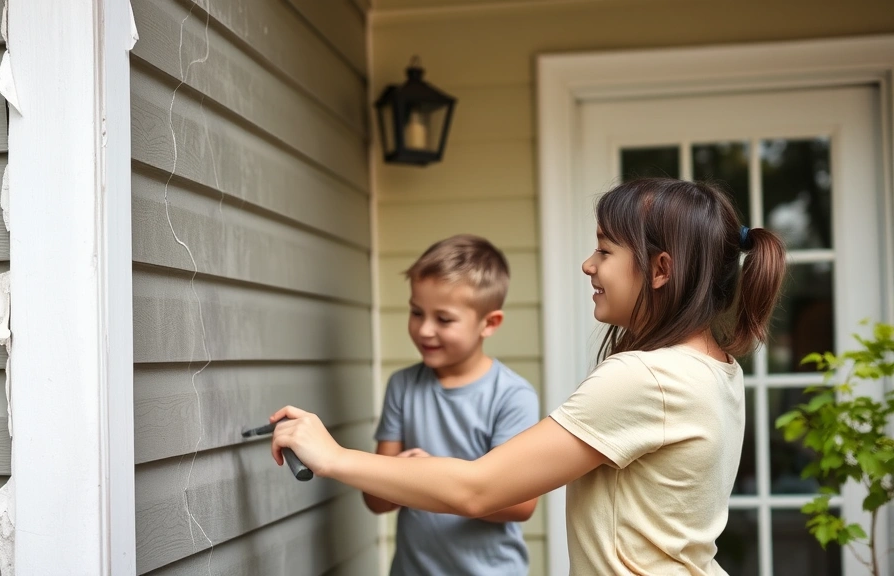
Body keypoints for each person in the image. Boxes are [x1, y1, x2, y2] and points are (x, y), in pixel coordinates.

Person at [269, 178, 786, 575]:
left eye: (605, 251)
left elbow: (481, 490)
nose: (589, 265)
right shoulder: (715, 368)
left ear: (659, 270)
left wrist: (334, 457)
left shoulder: (648, 378)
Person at [364, 234, 540, 576]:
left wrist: (427, 477)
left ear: (489, 323)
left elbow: (520, 504)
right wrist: (397, 476)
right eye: (416, 312)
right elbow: (375, 499)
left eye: (443, 319)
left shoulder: (512, 396)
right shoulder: (402, 386)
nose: (425, 330)